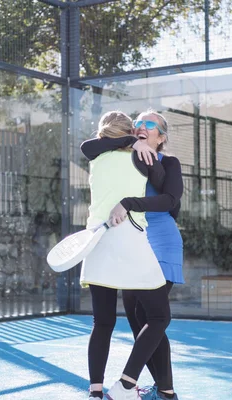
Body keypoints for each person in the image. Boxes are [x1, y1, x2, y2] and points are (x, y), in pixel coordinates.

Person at [81, 109, 183, 400]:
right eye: (138, 123)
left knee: (152, 314)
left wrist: (129, 202)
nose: (142, 126)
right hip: (131, 240)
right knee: (138, 319)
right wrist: (131, 142)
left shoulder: (167, 162)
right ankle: (165, 390)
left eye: (150, 124)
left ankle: (129, 385)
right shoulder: (122, 153)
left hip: (159, 241)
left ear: (161, 137)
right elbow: (89, 147)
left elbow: (171, 202)